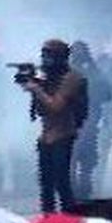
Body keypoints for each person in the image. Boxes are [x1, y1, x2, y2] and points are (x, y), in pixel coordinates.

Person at [25, 39, 87, 213]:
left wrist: (37, 89)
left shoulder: (72, 77)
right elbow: (40, 110)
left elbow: (56, 106)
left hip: (63, 134)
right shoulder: (47, 76)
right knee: (46, 185)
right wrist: (35, 83)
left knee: (62, 183)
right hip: (46, 136)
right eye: (44, 54)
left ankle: (70, 222)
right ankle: (49, 222)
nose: (45, 59)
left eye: (49, 55)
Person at [70, 41, 112, 200]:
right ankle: (82, 191)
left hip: (80, 121)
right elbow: (108, 94)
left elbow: (108, 93)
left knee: (78, 158)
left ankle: (77, 191)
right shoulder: (94, 71)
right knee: (84, 159)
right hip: (87, 120)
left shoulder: (68, 72)